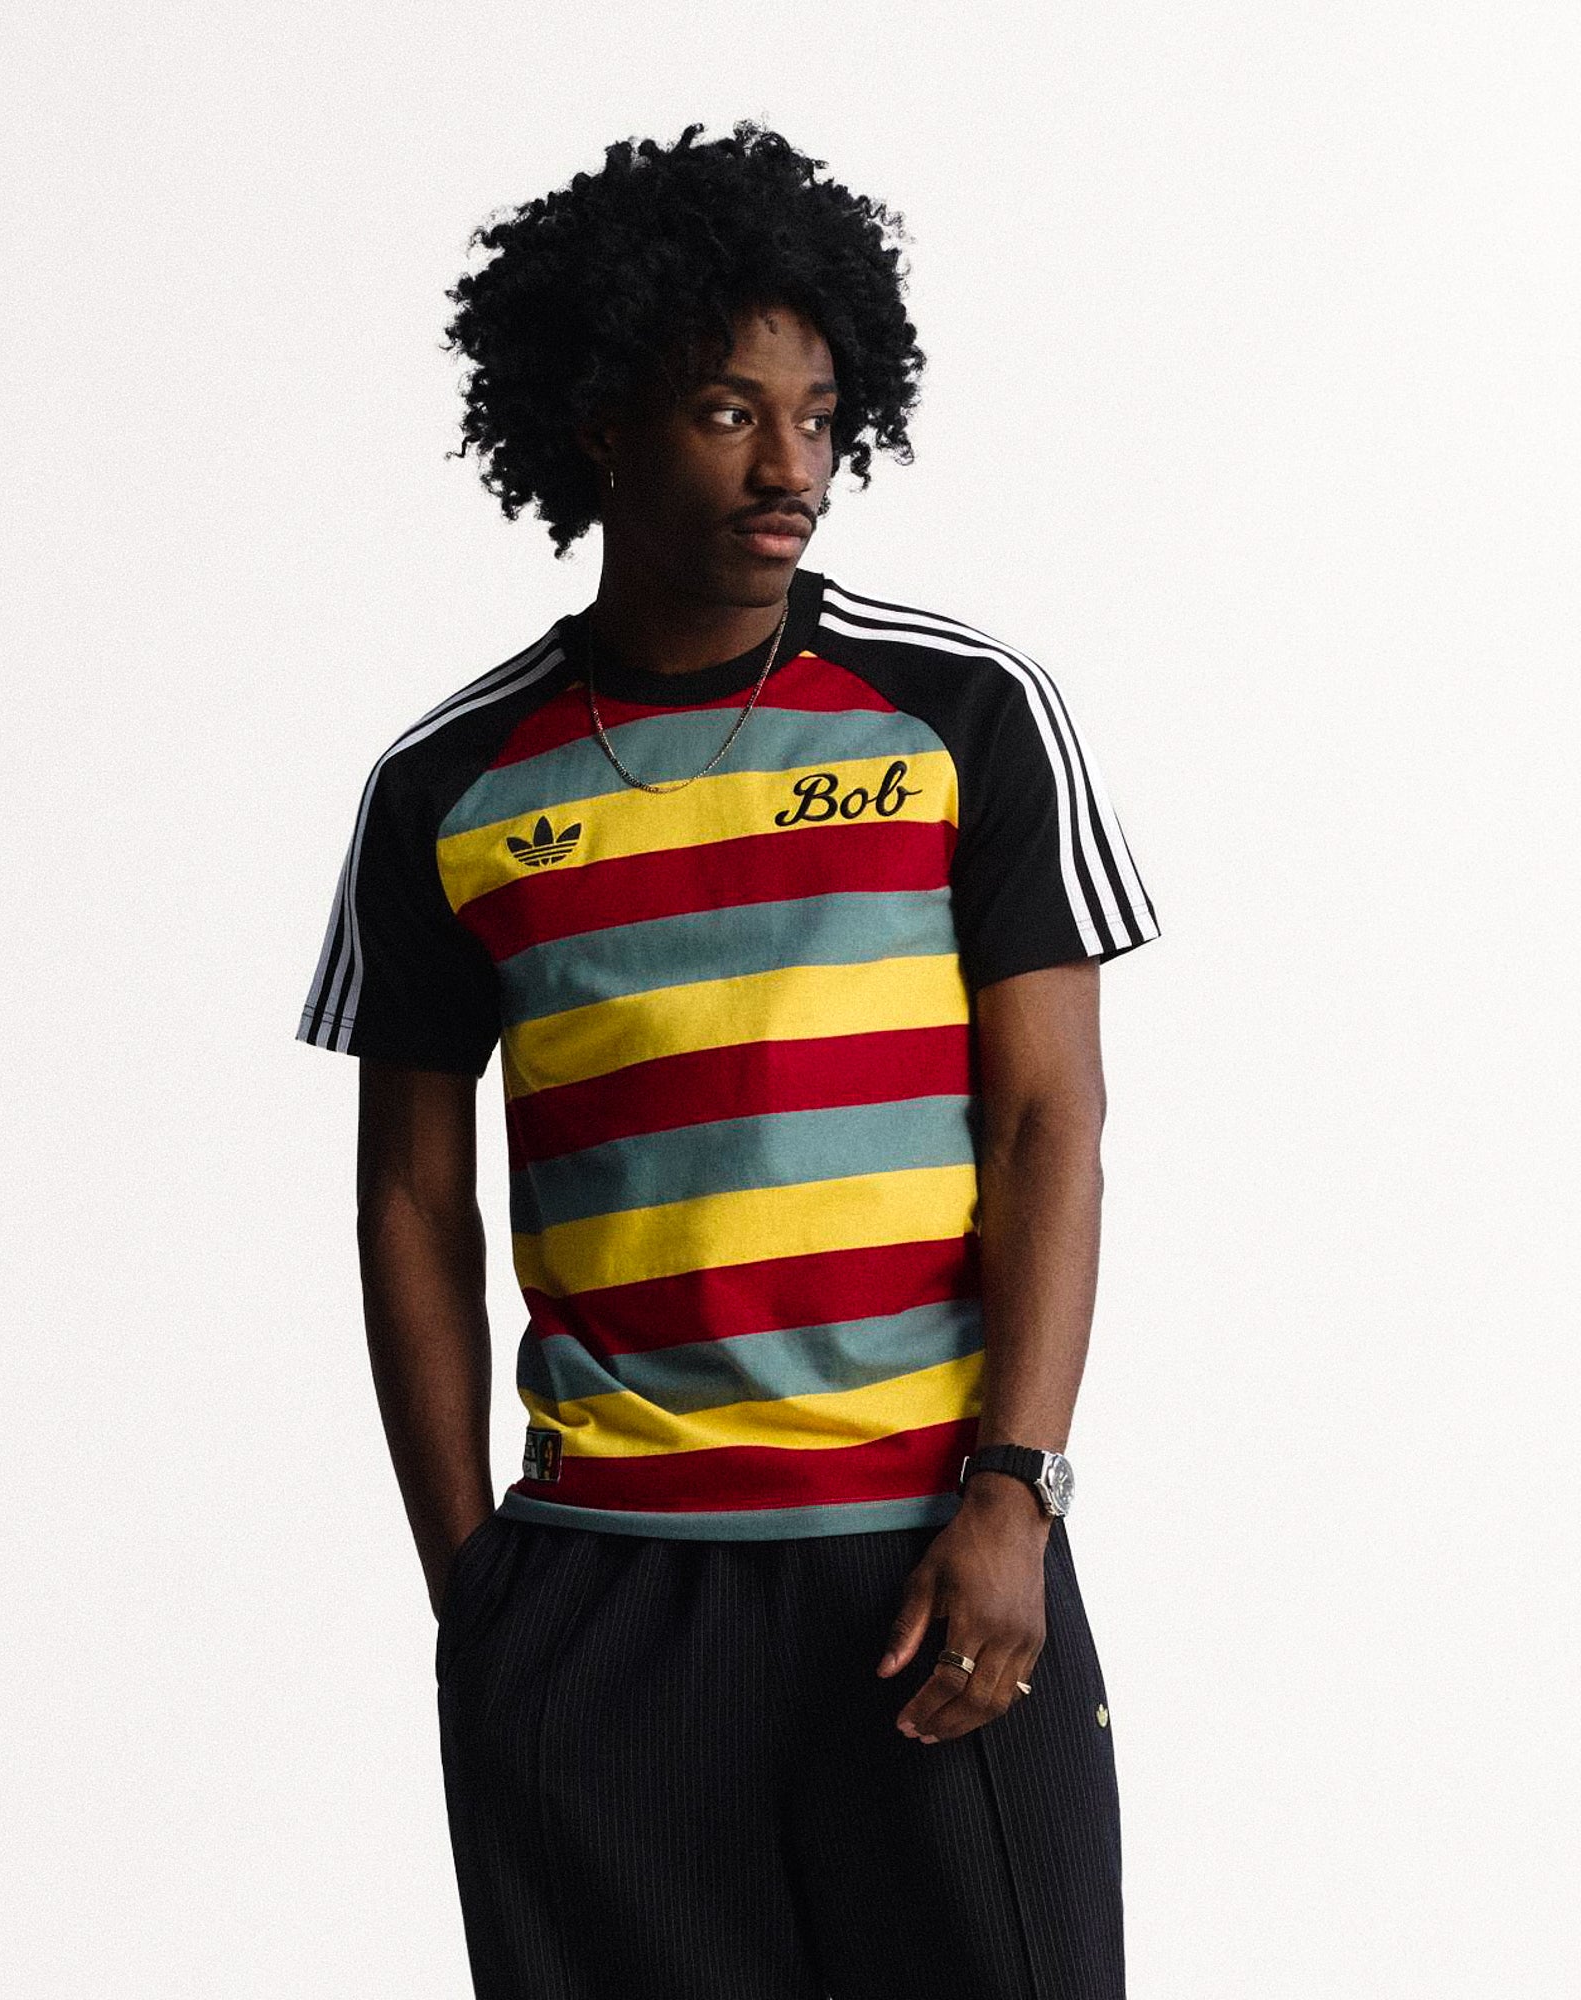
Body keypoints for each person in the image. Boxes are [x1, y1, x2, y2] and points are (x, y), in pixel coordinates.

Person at [296, 119, 1161, 2000]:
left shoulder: (962, 715)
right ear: (601, 425)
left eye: (821, 417)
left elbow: (1051, 1120)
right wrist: (475, 1588)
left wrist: (1016, 1489)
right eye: (727, 413)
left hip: (927, 1558)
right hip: (601, 1595)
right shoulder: (447, 788)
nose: (792, 471)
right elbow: (409, 1201)